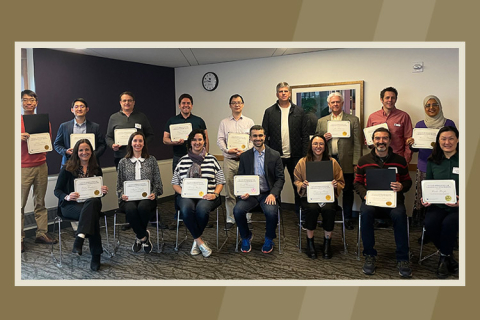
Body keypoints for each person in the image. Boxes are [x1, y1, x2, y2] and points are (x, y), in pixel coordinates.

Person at [354, 127, 413, 278]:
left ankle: (403, 258)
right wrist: (364, 194)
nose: (381, 141)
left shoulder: (400, 161)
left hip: (392, 201)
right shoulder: (363, 161)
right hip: (372, 201)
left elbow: (407, 181)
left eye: (385, 138)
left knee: (400, 214)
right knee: (365, 213)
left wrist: (402, 186)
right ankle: (369, 255)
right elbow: (357, 183)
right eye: (378, 138)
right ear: (372, 141)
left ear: (390, 141)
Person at [54, 139, 108, 271]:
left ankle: (80, 237)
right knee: (92, 216)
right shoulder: (67, 168)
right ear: (77, 152)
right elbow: (57, 190)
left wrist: (103, 192)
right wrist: (67, 196)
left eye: (87, 149)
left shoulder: (96, 169)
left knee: (93, 204)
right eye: (81, 150)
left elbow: (97, 193)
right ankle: (96, 255)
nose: (84, 152)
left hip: (91, 204)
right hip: (71, 206)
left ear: (91, 152)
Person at [172, 129, 225, 257]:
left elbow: (221, 181)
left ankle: (196, 241)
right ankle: (200, 241)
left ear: (204, 141)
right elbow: (175, 183)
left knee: (202, 209)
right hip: (187, 196)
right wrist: (183, 193)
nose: (197, 142)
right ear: (190, 142)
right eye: (194, 139)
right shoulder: (183, 160)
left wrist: (215, 194)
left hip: (208, 195)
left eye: (200, 139)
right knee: (186, 209)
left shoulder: (212, 159)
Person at [405, 95, 456, 228]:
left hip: (444, 167)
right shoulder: (420, 125)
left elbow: (454, 144)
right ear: (424, 108)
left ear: (440, 106)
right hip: (424, 167)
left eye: (434, 104)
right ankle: (426, 229)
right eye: (428, 105)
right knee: (426, 198)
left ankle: (445, 228)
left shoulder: (448, 123)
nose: (431, 108)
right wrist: (411, 144)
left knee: (444, 197)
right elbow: (416, 150)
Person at [234, 125, 285, 254]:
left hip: (267, 193)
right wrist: (241, 192)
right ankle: (246, 236)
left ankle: (269, 238)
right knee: (237, 210)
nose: (258, 138)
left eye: (260, 135)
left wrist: (273, 194)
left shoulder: (275, 155)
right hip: (250, 195)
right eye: (255, 136)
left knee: (271, 212)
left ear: (265, 137)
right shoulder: (245, 156)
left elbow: (280, 178)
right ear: (250, 138)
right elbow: (240, 176)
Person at [262, 82, 309, 222]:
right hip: (276, 156)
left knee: (298, 186)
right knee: (276, 186)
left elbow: (305, 135)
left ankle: (301, 217)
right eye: (281, 91)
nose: (283, 93)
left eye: (286, 91)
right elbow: (264, 135)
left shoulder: (299, 111)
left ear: (289, 93)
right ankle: (275, 216)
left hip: (296, 156)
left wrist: (305, 155)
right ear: (277, 94)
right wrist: (268, 154)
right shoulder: (269, 112)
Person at [294, 135, 345, 259]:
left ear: (325, 146)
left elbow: (341, 181)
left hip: (327, 197)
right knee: (311, 209)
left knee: (329, 209)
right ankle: (310, 241)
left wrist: (335, 185)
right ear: (311, 146)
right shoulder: (303, 162)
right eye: (315, 144)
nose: (318, 147)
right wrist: (303, 185)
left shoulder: (332, 162)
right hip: (309, 197)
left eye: (321, 144)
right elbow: (297, 180)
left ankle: (327, 242)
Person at [315, 92, 361, 230]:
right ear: (329, 105)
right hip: (327, 160)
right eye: (332, 102)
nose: (335, 104)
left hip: (346, 160)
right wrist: (323, 137)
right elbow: (316, 141)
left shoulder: (353, 120)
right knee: (327, 188)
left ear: (342, 103)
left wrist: (355, 163)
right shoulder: (322, 121)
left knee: (347, 190)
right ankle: (328, 216)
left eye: (338, 102)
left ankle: (347, 218)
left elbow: (357, 143)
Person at [164, 93, 209, 230]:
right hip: (179, 158)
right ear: (179, 105)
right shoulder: (172, 121)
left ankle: (199, 213)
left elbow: (206, 138)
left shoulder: (198, 120)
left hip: (198, 158)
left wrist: (206, 154)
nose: (186, 105)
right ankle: (179, 215)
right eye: (183, 103)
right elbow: (165, 139)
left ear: (192, 105)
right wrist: (173, 141)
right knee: (179, 186)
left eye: (188, 103)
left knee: (199, 184)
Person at [20, 90, 57, 253]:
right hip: (21, 168)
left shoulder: (43, 120)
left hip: (41, 165)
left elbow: (47, 141)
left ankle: (41, 233)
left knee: (40, 202)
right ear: (21, 103)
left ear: (36, 102)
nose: (29, 102)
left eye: (32, 100)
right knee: (18, 205)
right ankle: (18, 238)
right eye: (25, 100)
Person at [421, 126, 459, 279]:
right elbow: (428, 183)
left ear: (457, 140)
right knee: (429, 224)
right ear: (438, 141)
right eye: (443, 139)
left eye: (451, 138)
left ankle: (443, 258)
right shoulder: (433, 161)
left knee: (448, 224)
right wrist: (426, 198)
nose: (447, 142)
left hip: (460, 207)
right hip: (438, 205)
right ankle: (448, 256)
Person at [117, 132, 163, 254]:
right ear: (131, 143)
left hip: (147, 197)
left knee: (143, 207)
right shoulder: (123, 162)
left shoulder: (151, 160)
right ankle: (143, 237)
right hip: (128, 198)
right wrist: (121, 194)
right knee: (131, 209)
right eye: (135, 141)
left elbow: (158, 182)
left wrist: (154, 193)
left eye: (140, 141)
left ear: (144, 143)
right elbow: (119, 185)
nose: (137, 143)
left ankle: (139, 237)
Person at [217, 94, 254, 230]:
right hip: (229, 160)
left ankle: (247, 217)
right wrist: (228, 149)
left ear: (243, 104)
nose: (237, 105)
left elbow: (252, 140)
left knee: (246, 189)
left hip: (245, 161)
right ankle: (230, 218)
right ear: (230, 105)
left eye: (239, 102)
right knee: (230, 191)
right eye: (234, 102)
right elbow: (220, 139)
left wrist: (245, 151)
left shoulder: (249, 122)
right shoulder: (224, 122)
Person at [105, 91, 154, 169]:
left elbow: (150, 135)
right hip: (121, 156)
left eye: (129, 100)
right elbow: (108, 137)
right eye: (124, 100)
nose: (127, 103)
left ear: (133, 102)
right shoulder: (113, 118)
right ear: (120, 102)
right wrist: (112, 145)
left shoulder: (141, 116)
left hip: (139, 155)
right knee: (122, 180)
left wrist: (141, 144)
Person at [54, 98, 106, 167]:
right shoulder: (64, 126)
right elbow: (57, 144)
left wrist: (93, 154)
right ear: (72, 110)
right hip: (70, 163)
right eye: (76, 107)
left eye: (82, 106)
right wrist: (66, 151)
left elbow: (102, 145)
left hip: (91, 164)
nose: (79, 109)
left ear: (87, 109)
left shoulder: (95, 126)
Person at [366, 87, 413, 163]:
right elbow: (367, 140)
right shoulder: (372, 117)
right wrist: (370, 143)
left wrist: (406, 159)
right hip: (377, 158)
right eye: (387, 97)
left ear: (396, 99)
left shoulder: (404, 116)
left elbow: (409, 140)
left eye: (393, 98)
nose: (390, 100)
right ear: (381, 99)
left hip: (397, 158)